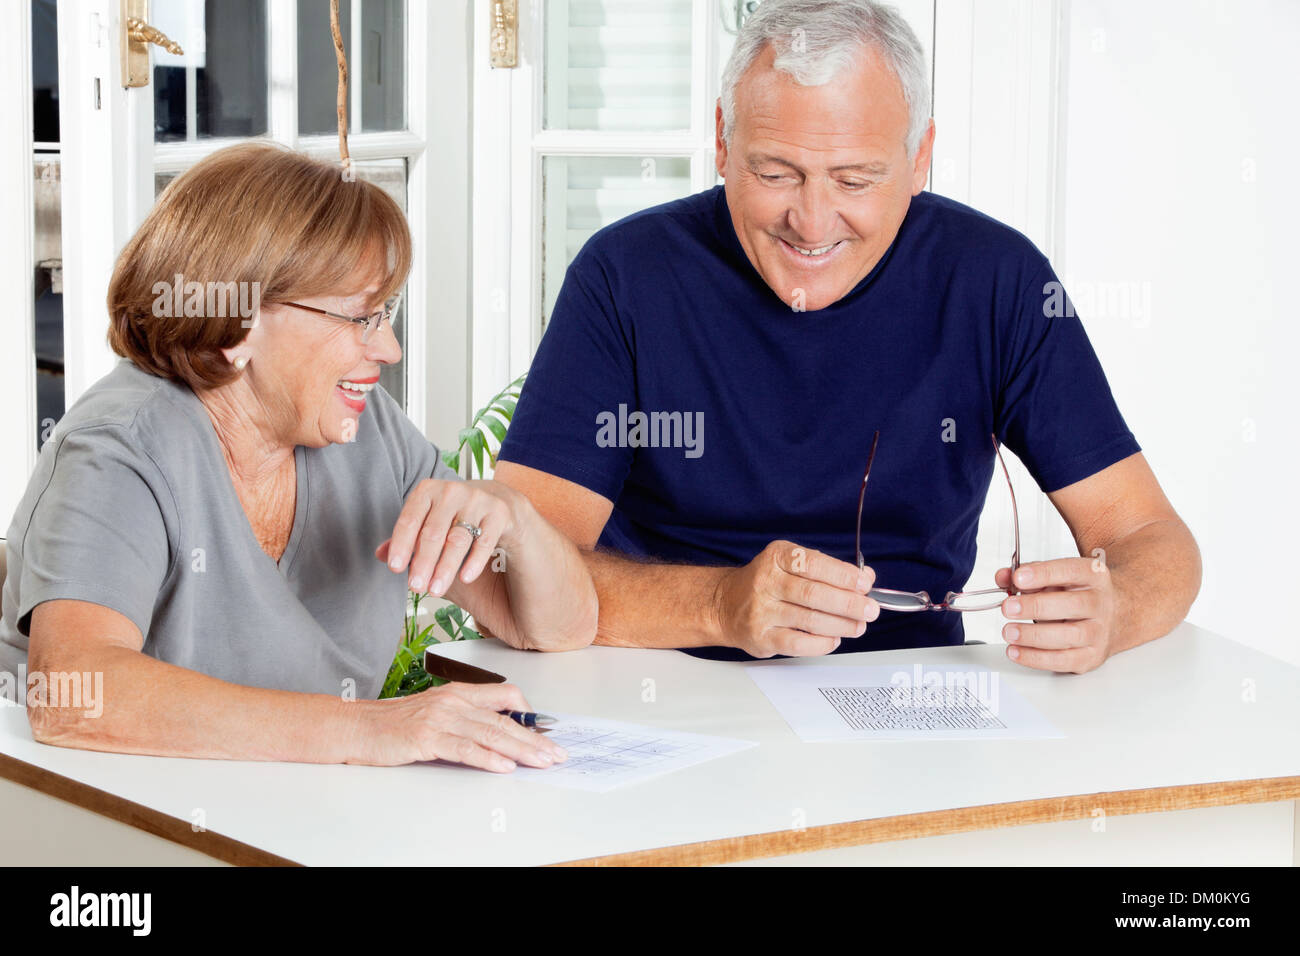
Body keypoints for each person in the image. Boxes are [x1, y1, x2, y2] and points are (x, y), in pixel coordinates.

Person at [494, 0, 1200, 672]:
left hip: (910, 690)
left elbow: (1149, 538)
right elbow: (521, 563)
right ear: (721, 140)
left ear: (920, 156)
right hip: (662, 681)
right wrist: (720, 605)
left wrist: (1118, 609)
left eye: (856, 180)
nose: (812, 220)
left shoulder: (996, 279)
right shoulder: (626, 275)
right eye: (776, 172)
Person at [0, 142, 596, 772]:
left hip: (301, 823)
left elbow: (556, 628)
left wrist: (517, 518)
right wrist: (371, 731)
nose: (389, 349)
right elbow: (76, 697)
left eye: (385, 313)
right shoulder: (120, 451)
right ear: (238, 326)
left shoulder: (371, 435)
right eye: (362, 317)